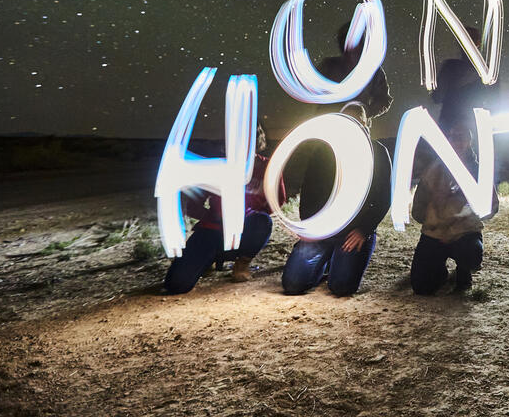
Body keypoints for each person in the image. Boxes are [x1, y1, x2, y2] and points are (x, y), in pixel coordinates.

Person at [282, 104, 392, 297]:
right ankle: (325, 263)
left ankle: (337, 261)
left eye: (357, 121)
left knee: (341, 287)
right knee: (292, 284)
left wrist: (364, 230)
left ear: (366, 125)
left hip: (353, 232)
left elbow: (384, 197)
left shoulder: (378, 153)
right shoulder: (324, 152)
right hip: (322, 230)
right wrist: (310, 228)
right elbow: (309, 193)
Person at [164, 123, 284, 295]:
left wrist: (248, 214)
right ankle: (209, 259)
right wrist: (213, 216)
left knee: (262, 221)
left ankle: (242, 262)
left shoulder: (268, 168)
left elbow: (276, 202)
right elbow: (192, 204)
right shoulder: (219, 166)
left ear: (257, 140)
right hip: (212, 231)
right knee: (176, 285)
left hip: (246, 230)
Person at [409, 120, 498, 294]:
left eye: (460, 137)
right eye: (451, 136)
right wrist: (434, 220)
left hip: (464, 235)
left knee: (470, 254)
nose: (455, 141)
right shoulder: (433, 170)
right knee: (421, 287)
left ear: (469, 141)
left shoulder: (478, 172)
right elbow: (418, 208)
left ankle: (463, 271)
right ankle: (439, 272)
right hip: (434, 234)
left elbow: (492, 207)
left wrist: (464, 216)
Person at [322, 20, 392, 124]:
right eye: (347, 40)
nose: (352, 44)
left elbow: (383, 100)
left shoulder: (373, 71)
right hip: (328, 125)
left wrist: (365, 112)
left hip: (357, 126)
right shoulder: (330, 66)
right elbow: (311, 96)